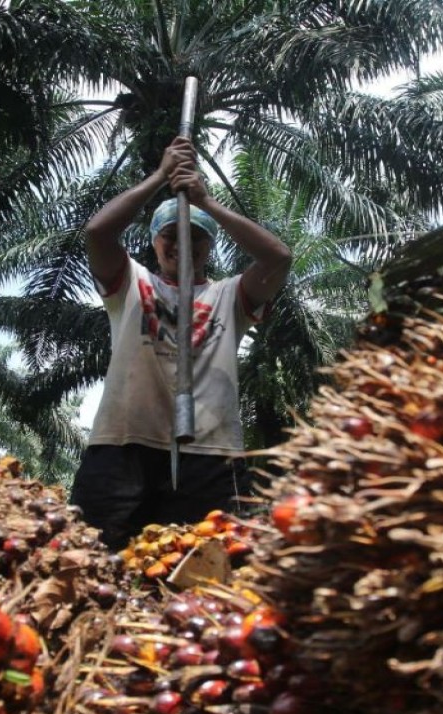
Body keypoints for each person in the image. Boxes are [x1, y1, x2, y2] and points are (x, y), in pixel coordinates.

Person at [71, 136, 293, 550]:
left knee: (205, 568)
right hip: (124, 444)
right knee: (93, 556)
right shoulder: (132, 284)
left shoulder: (230, 296)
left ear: (210, 245)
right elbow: (98, 232)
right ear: (154, 240)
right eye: (169, 234)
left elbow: (278, 258)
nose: (180, 244)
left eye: (195, 236)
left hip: (210, 451)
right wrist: (160, 175)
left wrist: (205, 202)